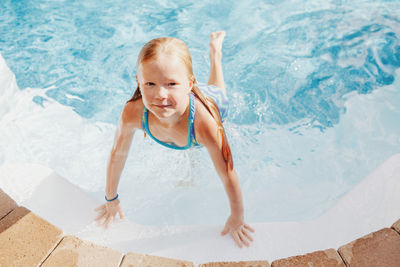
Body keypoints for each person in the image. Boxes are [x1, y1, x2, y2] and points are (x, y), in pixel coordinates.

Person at [94, 31, 255, 248]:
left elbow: (227, 174)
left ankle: (215, 55)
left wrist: (237, 217)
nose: (160, 94)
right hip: (185, 114)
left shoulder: (205, 124)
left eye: (171, 83)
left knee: (217, 90)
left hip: (210, 106)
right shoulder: (133, 112)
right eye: (150, 83)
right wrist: (111, 198)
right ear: (138, 83)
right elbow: (118, 154)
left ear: (189, 84)